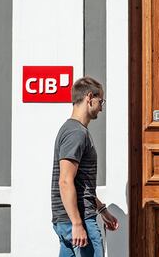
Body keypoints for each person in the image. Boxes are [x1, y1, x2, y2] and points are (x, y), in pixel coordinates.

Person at [51, 76, 119, 257]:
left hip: (69, 219)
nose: (102, 107)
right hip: (78, 220)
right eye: (100, 101)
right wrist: (77, 223)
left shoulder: (74, 131)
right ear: (89, 97)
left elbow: (81, 184)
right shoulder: (76, 133)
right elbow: (65, 181)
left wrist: (102, 210)